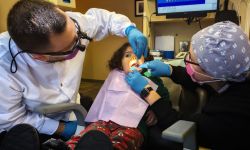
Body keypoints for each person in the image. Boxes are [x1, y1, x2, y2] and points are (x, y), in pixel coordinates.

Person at [0, 0, 148, 149]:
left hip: (75, 111)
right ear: (40, 57)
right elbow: (12, 119)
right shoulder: (4, 64)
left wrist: (128, 29)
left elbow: (104, 20)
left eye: (78, 35)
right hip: (37, 122)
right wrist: (63, 129)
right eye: (70, 46)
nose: (81, 43)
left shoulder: (73, 25)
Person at [125, 21, 250, 149]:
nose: (186, 62)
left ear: (212, 72)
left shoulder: (233, 117)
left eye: (191, 59)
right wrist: (170, 70)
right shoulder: (228, 79)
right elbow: (198, 80)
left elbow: (177, 123)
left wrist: (147, 91)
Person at [63, 42, 170, 150]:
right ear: (120, 62)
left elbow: (164, 100)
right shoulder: (115, 76)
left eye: (138, 55)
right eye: (127, 55)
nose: (133, 58)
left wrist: (155, 112)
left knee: (121, 142)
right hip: (104, 121)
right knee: (88, 135)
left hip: (133, 125)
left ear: (145, 60)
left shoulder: (152, 78)